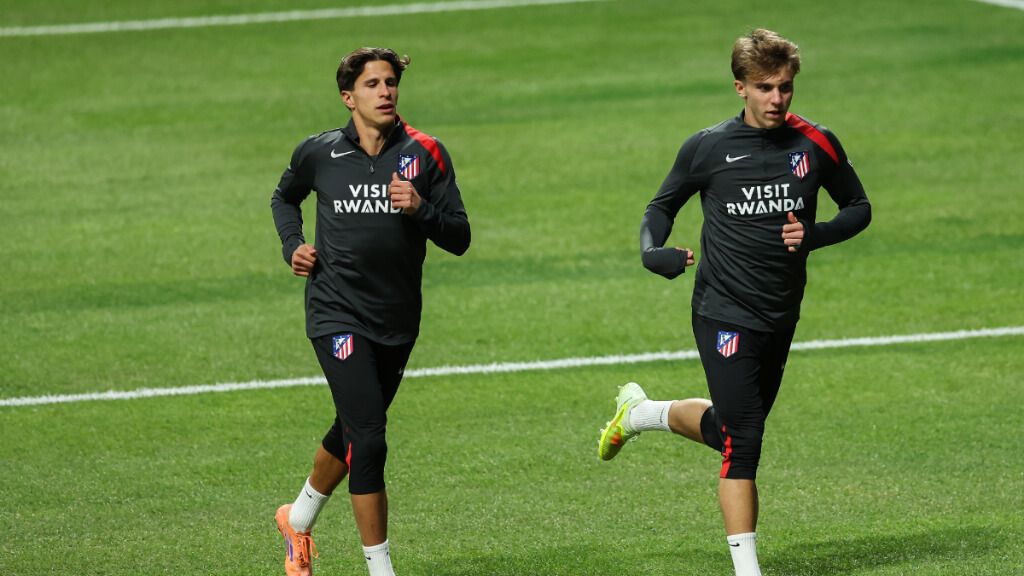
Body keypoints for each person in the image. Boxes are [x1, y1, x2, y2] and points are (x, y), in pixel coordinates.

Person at [597, 29, 870, 576]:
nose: (778, 99)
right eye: (766, 88)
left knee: (731, 430)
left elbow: (859, 207)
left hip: (780, 312)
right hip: (722, 310)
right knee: (745, 441)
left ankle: (642, 413)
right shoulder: (709, 147)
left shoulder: (817, 143)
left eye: (786, 88)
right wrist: (654, 252)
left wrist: (814, 235)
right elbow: (660, 206)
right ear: (739, 87)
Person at [270, 47, 470, 576]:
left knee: (355, 425)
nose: (385, 92)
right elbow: (284, 198)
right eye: (372, 84)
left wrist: (420, 208)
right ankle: (381, 569)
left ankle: (298, 519)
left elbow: (460, 237)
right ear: (348, 96)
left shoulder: (426, 153)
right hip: (335, 311)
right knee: (370, 438)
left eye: (390, 83)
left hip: (397, 320)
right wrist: (293, 245)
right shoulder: (319, 153)